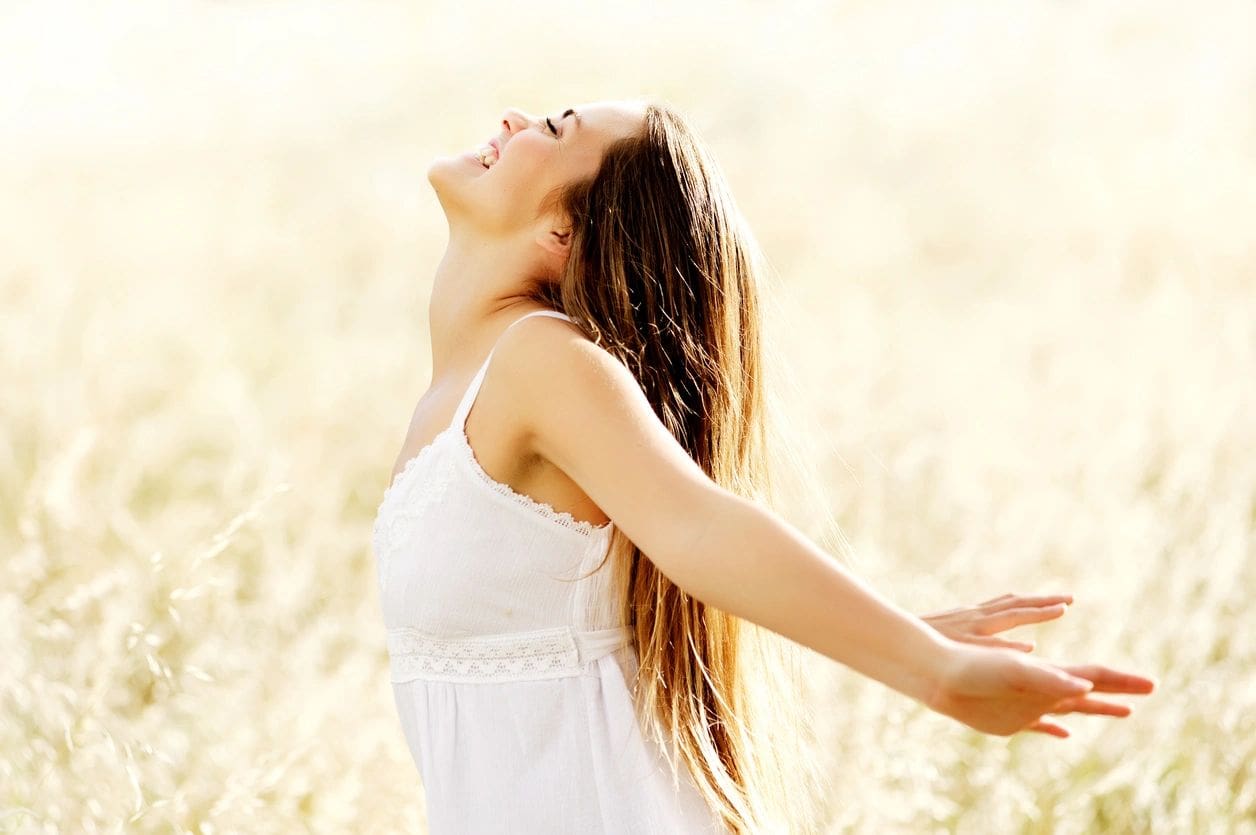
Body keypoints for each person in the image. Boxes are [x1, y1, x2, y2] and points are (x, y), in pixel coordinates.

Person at [370, 99, 1157, 835]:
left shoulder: (540, 363)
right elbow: (606, 620)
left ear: (562, 233)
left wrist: (934, 669)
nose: (513, 118)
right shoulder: (462, 389)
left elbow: (697, 524)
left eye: (553, 125)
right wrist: (896, 628)